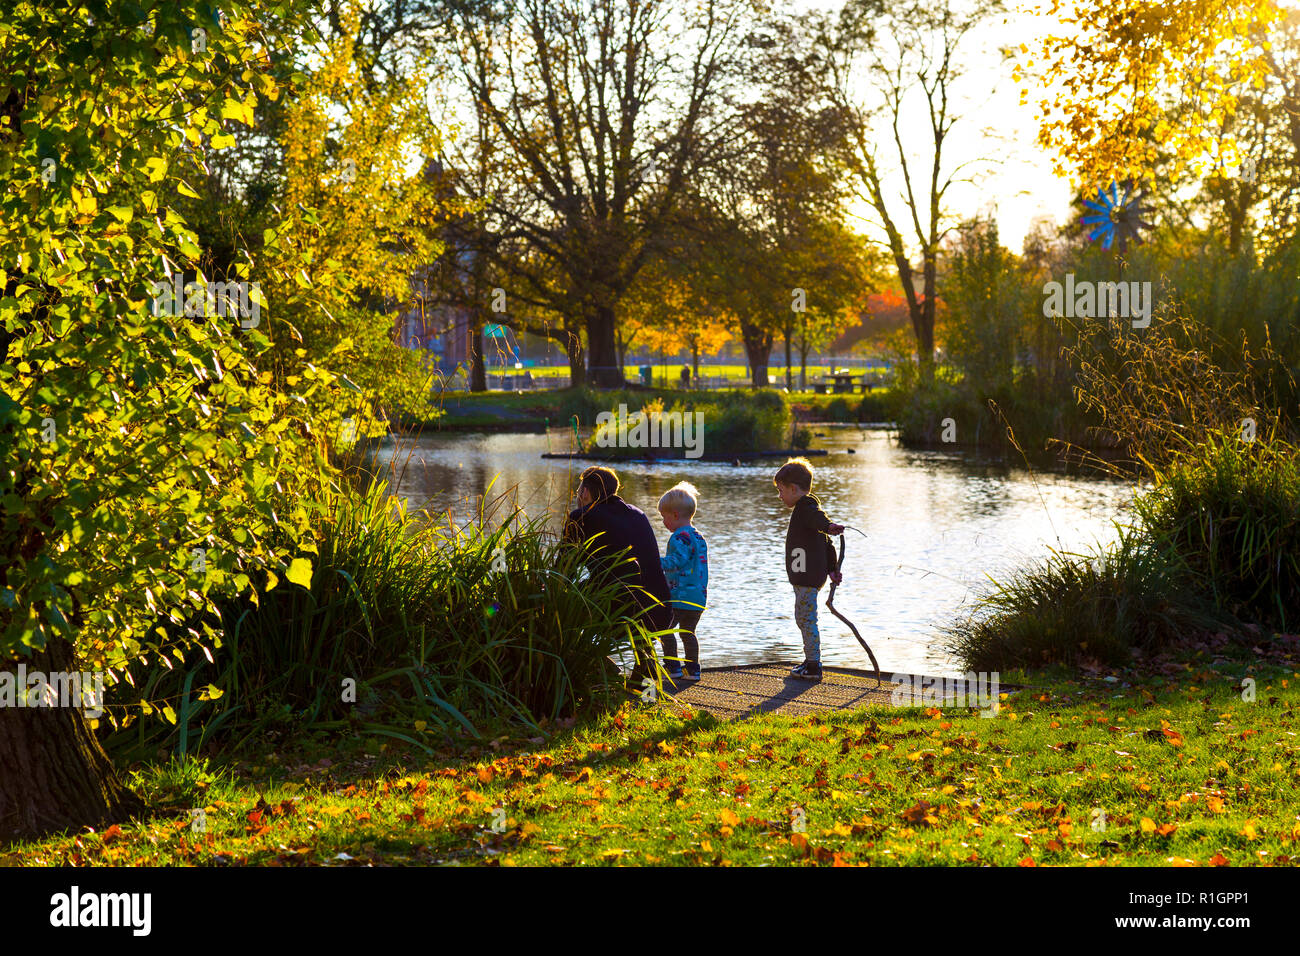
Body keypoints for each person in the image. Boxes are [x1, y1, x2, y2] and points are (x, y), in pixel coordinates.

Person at [563, 466, 673, 676]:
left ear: (585, 491)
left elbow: (564, 569)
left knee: (569, 598)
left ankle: (593, 663)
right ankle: (645, 664)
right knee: (623, 584)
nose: (578, 494)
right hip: (658, 607)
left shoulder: (581, 516)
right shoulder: (638, 515)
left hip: (617, 607)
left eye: (579, 489)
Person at [773, 457, 844, 679]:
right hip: (806, 575)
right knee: (803, 617)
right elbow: (826, 542)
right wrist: (832, 568)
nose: (780, 495)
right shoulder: (806, 509)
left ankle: (813, 666)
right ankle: (810, 661)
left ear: (793, 488)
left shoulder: (807, 508)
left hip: (806, 576)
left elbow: (819, 520)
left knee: (806, 619)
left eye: (781, 490)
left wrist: (828, 526)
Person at [656, 481, 708, 681]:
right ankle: (693, 669)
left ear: (675, 515)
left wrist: (654, 561)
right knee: (688, 632)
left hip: (680, 596)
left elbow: (676, 562)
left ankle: (673, 667)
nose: (663, 522)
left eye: (664, 517)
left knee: (665, 629)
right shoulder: (698, 536)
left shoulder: (680, 537)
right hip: (698, 597)